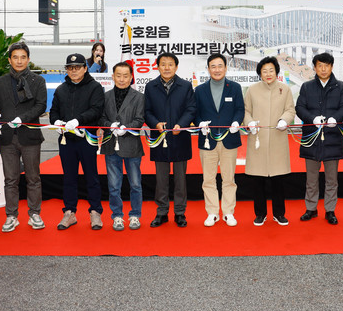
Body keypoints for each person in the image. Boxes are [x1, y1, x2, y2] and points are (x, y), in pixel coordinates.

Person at [0, 42, 48, 232]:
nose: (19, 61)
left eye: (23, 57)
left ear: (28, 59)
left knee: (33, 178)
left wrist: (23, 118)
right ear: (9, 60)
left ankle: (35, 213)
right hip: (7, 137)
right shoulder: (0, 82)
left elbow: (41, 106)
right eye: (15, 57)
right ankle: (11, 216)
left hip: (30, 136)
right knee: (10, 179)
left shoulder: (38, 81)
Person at [49, 53, 105, 230]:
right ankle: (69, 212)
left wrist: (78, 120)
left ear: (85, 68)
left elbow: (96, 110)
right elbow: (53, 111)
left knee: (91, 176)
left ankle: (95, 211)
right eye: (70, 68)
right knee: (69, 177)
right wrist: (56, 122)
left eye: (77, 67)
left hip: (87, 138)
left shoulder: (95, 87)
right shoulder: (61, 89)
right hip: (67, 140)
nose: (73, 71)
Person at [295, 52, 343, 225]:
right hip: (311, 138)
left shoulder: (341, 87)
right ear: (315, 67)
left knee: (331, 179)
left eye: (327, 65)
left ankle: (330, 210)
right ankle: (311, 208)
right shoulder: (307, 87)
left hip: (332, 138)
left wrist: (336, 118)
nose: (323, 69)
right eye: (320, 65)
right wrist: (312, 119)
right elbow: (300, 108)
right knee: (311, 179)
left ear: (332, 67)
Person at [144, 52, 196, 228]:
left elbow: (191, 109)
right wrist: (155, 124)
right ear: (158, 66)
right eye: (163, 64)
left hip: (180, 137)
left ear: (176, 66)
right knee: (161, 179)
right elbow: (147, 111)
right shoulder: (151, 87)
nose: (167, 68)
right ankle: (162, 212)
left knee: (180, 179)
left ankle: (180, 213)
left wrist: (181, 124)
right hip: (159, 138)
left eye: (170, 64)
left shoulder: (185, 86)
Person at [244, 57, 296, 226]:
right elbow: (246, 111)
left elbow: (290, 110)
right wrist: (250, 122)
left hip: (277, 139)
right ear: (260, 73)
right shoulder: (252, 90)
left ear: (276, 72)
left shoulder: (285, 89)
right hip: (258, 139)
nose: (268, 74)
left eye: (271, 70)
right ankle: (260, 214)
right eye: (264, 71)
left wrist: (284, 120)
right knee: (257, 179)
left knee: (278, 179)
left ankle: (279, 214)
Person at [194, 53, 244, 227]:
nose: (217, 69)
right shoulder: (200, 90)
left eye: (220, 66)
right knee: (208, 179)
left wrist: (237, 122)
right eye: (213, 66)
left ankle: (228, 212)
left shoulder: (235, 87)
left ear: (226, 68)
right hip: (207, 140)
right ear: (208, 69)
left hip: (229, 138)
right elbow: (195, 112)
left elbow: (240, 109)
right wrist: (200, 123)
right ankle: (212, 213)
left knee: (229, 178)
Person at [99, 61, 145, 231]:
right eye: (118, 75)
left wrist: (127, 128)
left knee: (135, 184)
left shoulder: (139, 97)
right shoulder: (105, 96)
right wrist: (109, 125)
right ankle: (117, 216)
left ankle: (135, 215)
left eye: (126, 76)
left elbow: (140, 119)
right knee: (113, 185)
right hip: (111, 145)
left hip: (132, 146)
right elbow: (101, 118)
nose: (122, 79)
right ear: (113, 76)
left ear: (131, 77)